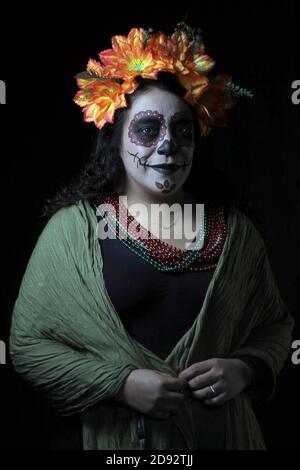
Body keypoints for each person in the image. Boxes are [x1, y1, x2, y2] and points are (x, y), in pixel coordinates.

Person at [10, 24, 294, 450]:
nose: (167, 147)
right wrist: (120, 385)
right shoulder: (73, 233)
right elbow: (28, 345)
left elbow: (274, 325)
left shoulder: (234, 234)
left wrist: (246, 369)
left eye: (182, 131)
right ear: (117, 140)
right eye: (147, 129)